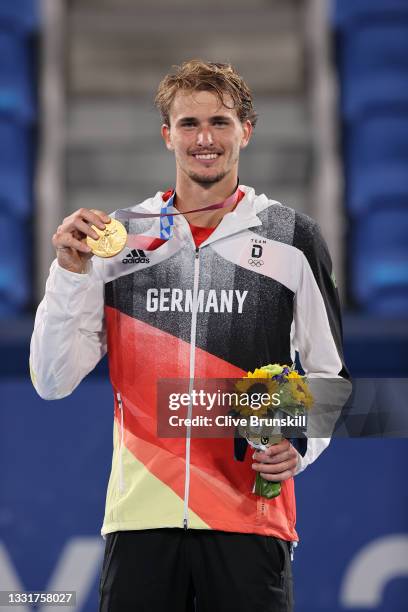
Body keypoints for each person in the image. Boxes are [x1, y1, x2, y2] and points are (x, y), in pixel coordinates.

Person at [30, 60, 349, 612]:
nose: (205, 139)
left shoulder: (294, 238)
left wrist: (297, 441)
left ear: (246, 131)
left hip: (250, 515)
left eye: (220, 122)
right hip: (142, 517)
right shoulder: (121, 239)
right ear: (167, 135)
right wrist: (68, 274)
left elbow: (331, 375)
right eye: (188, 124)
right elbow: (52, 380)